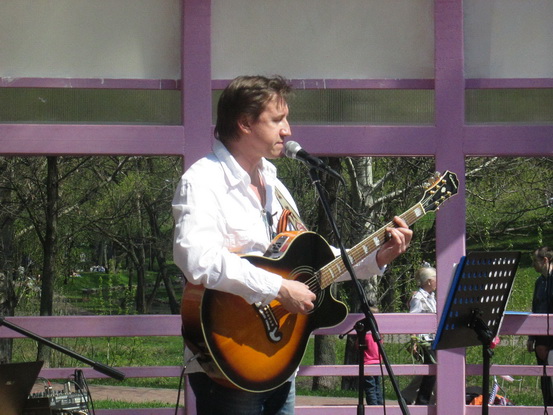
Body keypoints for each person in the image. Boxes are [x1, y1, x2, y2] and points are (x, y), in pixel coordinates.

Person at [172, 75, 412, 415]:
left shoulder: (275, 185)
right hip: (229, 359)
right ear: (244, 123)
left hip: (282, 359)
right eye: (277, 120)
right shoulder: (203, 181)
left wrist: (375, 257)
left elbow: (310, 263)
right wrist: (279, 288)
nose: (288, 130)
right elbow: (197, 259)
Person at [405, 263, 437, 405]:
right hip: (424, 339)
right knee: (432, 368)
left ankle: (409, 396)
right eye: (435, 278)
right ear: (429, 281)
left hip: (433, 338)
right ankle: (422, 402)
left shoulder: (431, 297)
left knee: (432, 369)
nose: (437, 281)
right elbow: (413, 319)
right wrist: (414, 340)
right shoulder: (418, 298)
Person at [526, 246, 553, 406]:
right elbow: (535, 309)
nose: (533, 265)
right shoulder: (539, 282)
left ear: (545, 260)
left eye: (535, 261)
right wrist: (531, 337)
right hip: (541, 338)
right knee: (545, 379)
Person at [361, 309, 384, 405]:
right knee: (377, 386)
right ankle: (379, 404)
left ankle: (373, 405)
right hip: (377, 363)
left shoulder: (365, 335)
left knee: (370, 387)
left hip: (367, 363)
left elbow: (358, 345)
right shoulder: (378, 334)